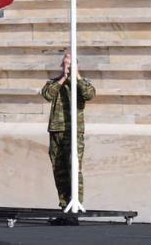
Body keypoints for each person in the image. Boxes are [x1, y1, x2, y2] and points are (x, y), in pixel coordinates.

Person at [41, 49, 95, 225]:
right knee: (59, 170)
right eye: (65, 64)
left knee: (74, 168)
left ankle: (75, 207)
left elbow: (90, 94)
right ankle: (64, 207)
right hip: (56, 130)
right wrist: (63, 77)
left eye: (70, 64)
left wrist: (76, 76)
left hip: (73, 131)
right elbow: (47, 94)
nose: (67, 67)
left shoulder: (81, 84)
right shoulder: (55, 82)